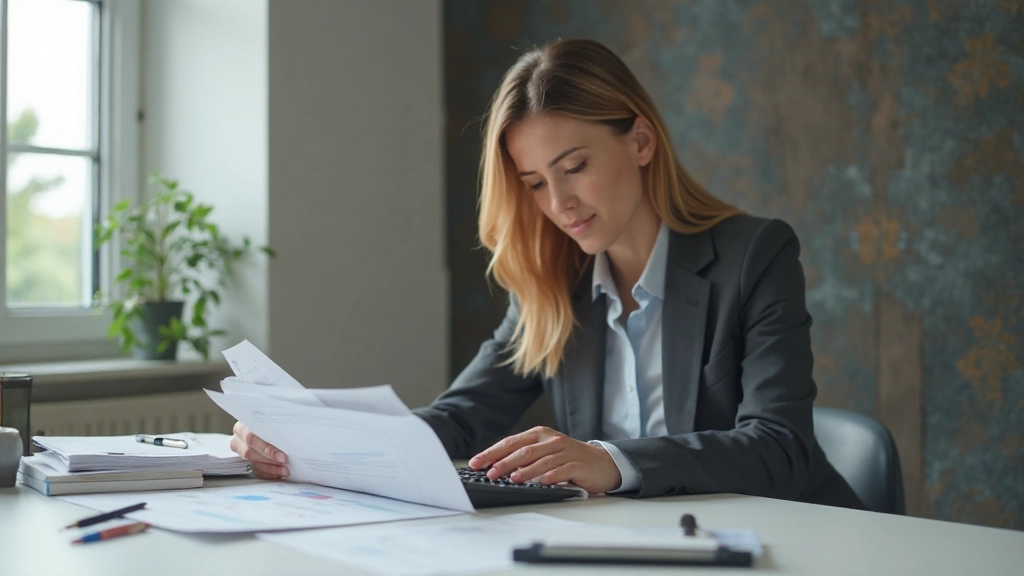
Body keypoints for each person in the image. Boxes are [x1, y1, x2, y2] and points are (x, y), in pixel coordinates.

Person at [231, 38, 865, 509]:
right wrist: (311, 441)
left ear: (641, 142)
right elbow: (461, 417)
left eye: (575, 167)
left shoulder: (755, 255)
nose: (558, 203)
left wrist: (608, 461)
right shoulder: (554, 280)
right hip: (642, 544)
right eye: (535, 182)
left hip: (796, 538)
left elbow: (779, 446)